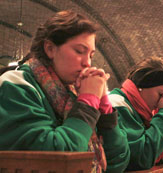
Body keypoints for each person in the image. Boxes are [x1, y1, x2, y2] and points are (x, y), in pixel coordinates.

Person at [0, 10, 130, 173]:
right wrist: (87, 104)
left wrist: (105, 111)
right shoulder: (16, 85)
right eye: (79, 51)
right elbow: (54, 161)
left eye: (91, 55)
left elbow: (118, 162)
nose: (87, 63)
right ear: (50, 49)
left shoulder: (71, 94)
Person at [108, 56, 163, 171]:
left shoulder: (146, 111)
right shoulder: (117, 105)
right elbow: (142, 159)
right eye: (161, 94)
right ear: (142, 87)